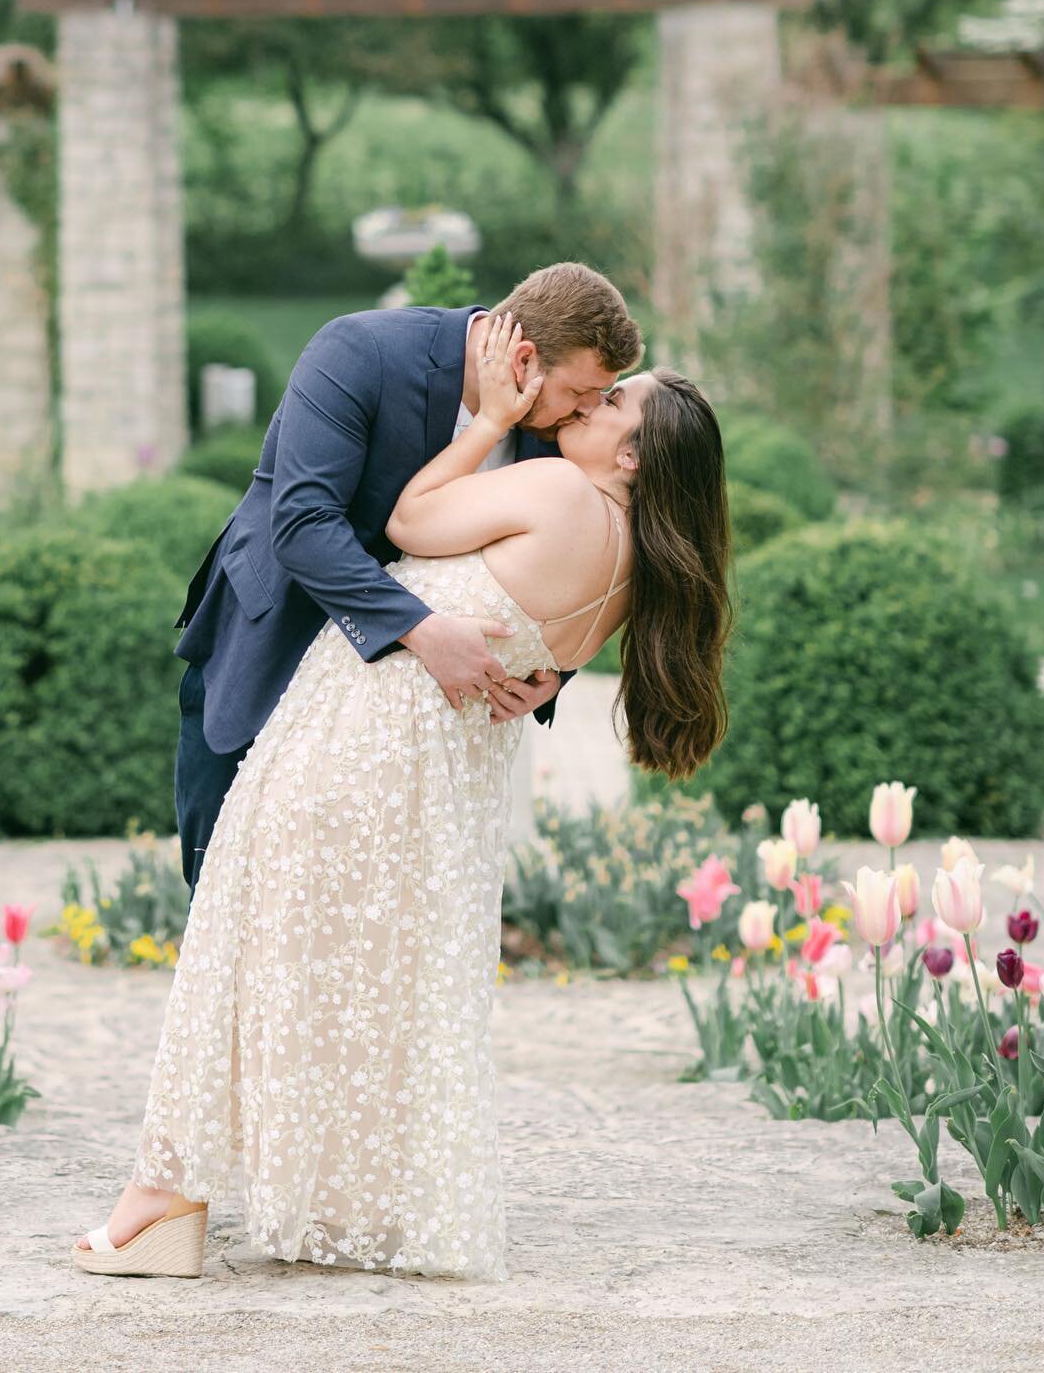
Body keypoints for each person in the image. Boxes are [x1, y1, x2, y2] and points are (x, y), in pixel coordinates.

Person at [72, 306, 732, 1282]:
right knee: (363, 975)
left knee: (246, 947)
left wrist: (474, 434)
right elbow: (530, 635)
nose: (585, 407)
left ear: (632, 456)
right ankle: (334, 1198)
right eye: (591, 388)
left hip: (361, 737)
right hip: (437, 775)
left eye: (609, 402)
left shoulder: (553, 485)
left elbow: (409, 523)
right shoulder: (639, 572)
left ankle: (159, 1205)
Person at [170, 261, 644, 900]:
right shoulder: (361, 351)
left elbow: (579, 557)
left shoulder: (553, 435)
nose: (584, 415)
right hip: (269, 647)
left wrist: (550, 675)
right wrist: (421, 630)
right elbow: (305, 523)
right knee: (229, 907)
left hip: (398, 736)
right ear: (524, 359)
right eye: (580, 396)